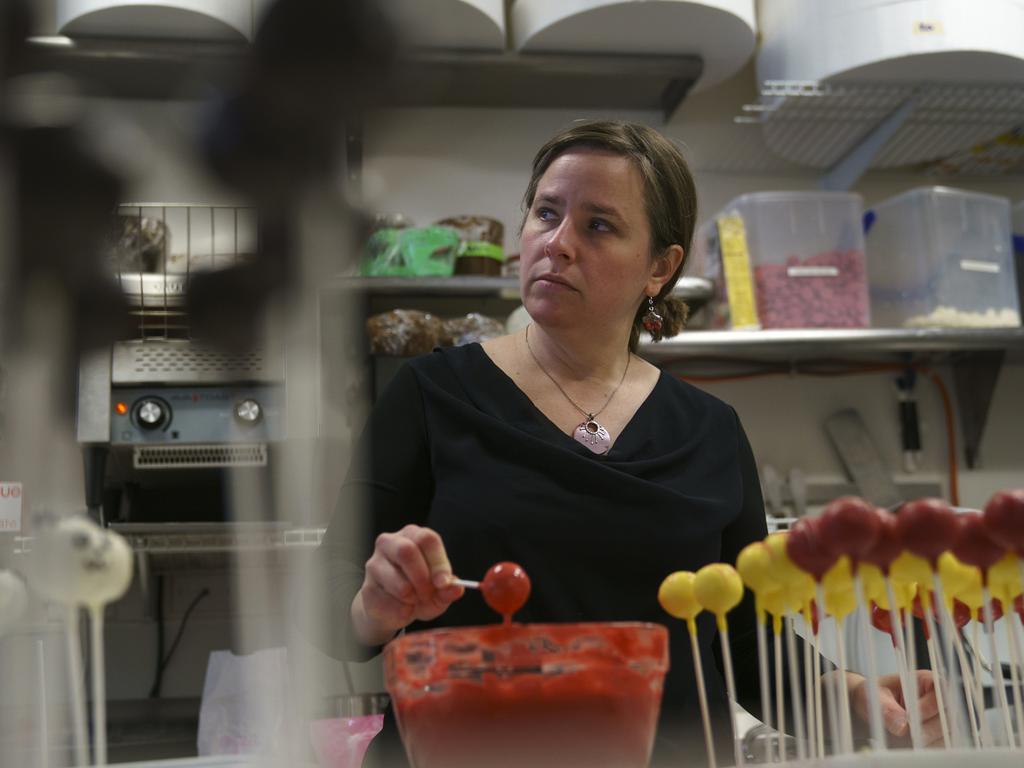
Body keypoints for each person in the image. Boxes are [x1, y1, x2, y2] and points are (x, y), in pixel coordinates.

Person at [312, 120, 942, 766]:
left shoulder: (709, 431)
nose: (557, 243)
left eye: (598, 226)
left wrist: (850, 693)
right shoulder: (430, 392)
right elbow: (330, 604)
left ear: (660, 268)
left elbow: (746, 634)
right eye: (546, 213)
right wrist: (374, 604)